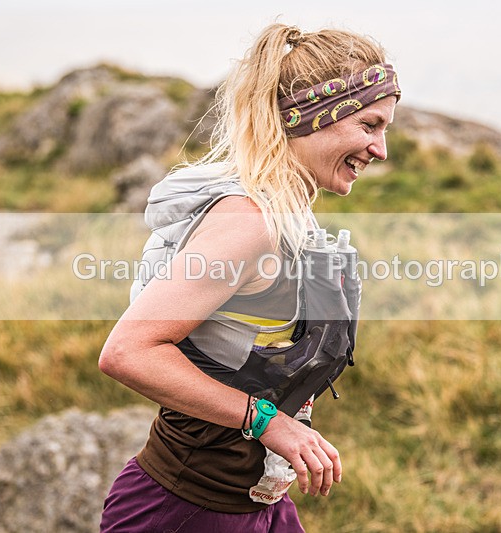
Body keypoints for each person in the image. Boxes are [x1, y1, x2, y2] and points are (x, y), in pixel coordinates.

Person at [98, 22, 400, 532]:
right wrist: (268, 422)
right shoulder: (249, 220)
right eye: (369, 125)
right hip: (181, 511)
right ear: (311, 118)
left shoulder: (290, 212)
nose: (381, 149)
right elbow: (128, 352)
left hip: (257, 503)